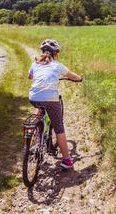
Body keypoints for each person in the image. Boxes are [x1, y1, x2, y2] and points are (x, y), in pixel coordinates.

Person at [28, 39, 82, 169]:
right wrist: (79, 78)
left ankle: (35, 127)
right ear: (55, 54)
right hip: (51, 99)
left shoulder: (35, 64)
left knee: (40, 105)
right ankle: (67, 160)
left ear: (42, 52)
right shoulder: (58, 66)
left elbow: (30, 77)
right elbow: (73, 76)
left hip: (33, 97)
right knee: (58, 127)